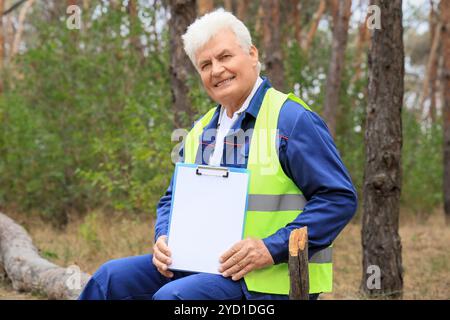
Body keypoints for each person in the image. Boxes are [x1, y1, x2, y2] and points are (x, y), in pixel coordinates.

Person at [78, 8, 357, 300]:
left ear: (252, 54)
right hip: (200, 267)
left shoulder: (291, 120)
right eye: (205, 64)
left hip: (269, 281)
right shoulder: (200, 129)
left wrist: (269, 248)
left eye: (225, 57)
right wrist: (163, 235)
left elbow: (338, 198)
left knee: (173, 300)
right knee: (108, 279)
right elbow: (172, 198)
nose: (216, 70)